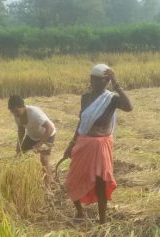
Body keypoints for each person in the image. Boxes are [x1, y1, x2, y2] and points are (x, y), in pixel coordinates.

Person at [64, 64, 133, 224]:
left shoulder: (112, 99)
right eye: (92, 79)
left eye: (99, 79)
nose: (94, 82)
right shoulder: (85, 97)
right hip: (84, 143)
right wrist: (71, 144)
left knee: (101, 182)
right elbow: (82, 122)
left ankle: (102, 219)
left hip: (101, 145)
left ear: (107, 81)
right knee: (73, 179)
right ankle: (80, 213)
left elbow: (129, 107)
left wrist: (117, 85)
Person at [8, 95, 57, 191]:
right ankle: (23, 181)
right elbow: (21, 130)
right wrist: (19, 147)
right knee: (21, 157)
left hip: (47, 135)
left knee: (44, 159)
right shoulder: (17, 116)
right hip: (32, 136)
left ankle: (48, 187)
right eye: (13, 112)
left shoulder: (34, 112)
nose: (15, 114)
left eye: (17, 111)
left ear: (23, 106)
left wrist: (39, 145)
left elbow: (49, 128)